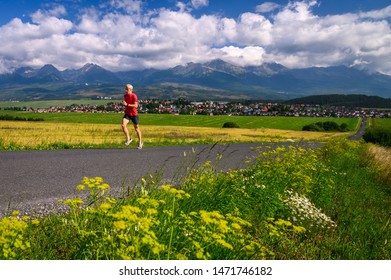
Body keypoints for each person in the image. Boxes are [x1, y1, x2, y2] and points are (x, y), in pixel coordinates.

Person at [122, 84, 143, 149]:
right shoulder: (125, 96)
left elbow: (136, 106)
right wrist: (124, 104)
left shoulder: (134, 96)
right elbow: (126, 104)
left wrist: (127, 104)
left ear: (131, 90)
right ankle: (129, 138)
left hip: (134, 114)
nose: (126, 90)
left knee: (136, 129)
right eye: (125, 88)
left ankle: (140, 142)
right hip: (127, 113)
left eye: (127, 89)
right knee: (123, 125)